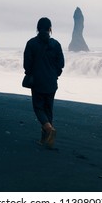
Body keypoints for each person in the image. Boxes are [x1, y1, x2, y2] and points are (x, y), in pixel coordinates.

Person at [23, 17, 65, 148]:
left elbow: (27, 64)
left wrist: (30, 73)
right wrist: (55, 74)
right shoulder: (56, 44)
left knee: (38, 108)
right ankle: (46, 140)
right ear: (50, 28)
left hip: (37, 81)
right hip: (52, 82)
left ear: (37, 28)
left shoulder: (31, 43)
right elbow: (61, 64)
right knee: (48, 109)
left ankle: (48, 130)